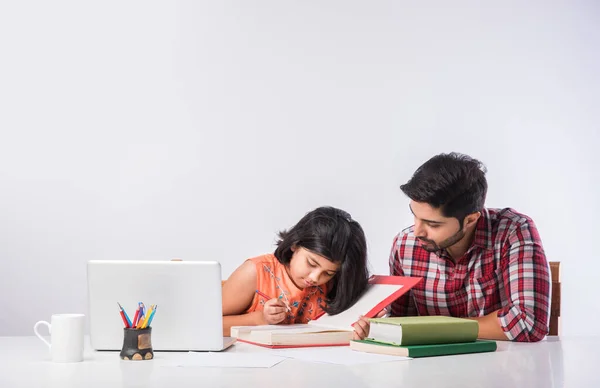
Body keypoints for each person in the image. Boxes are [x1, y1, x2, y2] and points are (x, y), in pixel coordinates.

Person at [386, 153, 551, 342]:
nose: (417, 232)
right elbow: (398, 324)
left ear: (471, 219)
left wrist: (437, 329)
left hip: (502, 365)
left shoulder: (513, 232)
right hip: (431, 367)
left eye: (433, 224)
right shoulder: (404, 245)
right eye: (414, 216)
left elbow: (529, 323)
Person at [222, 206, 372, 339]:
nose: (315, 278)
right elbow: (205, 323)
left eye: (328, 273)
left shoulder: (334, 285)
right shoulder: (255, 272)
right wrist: (259, 319)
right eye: (311, 263)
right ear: (295, 244)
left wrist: (361, 328)